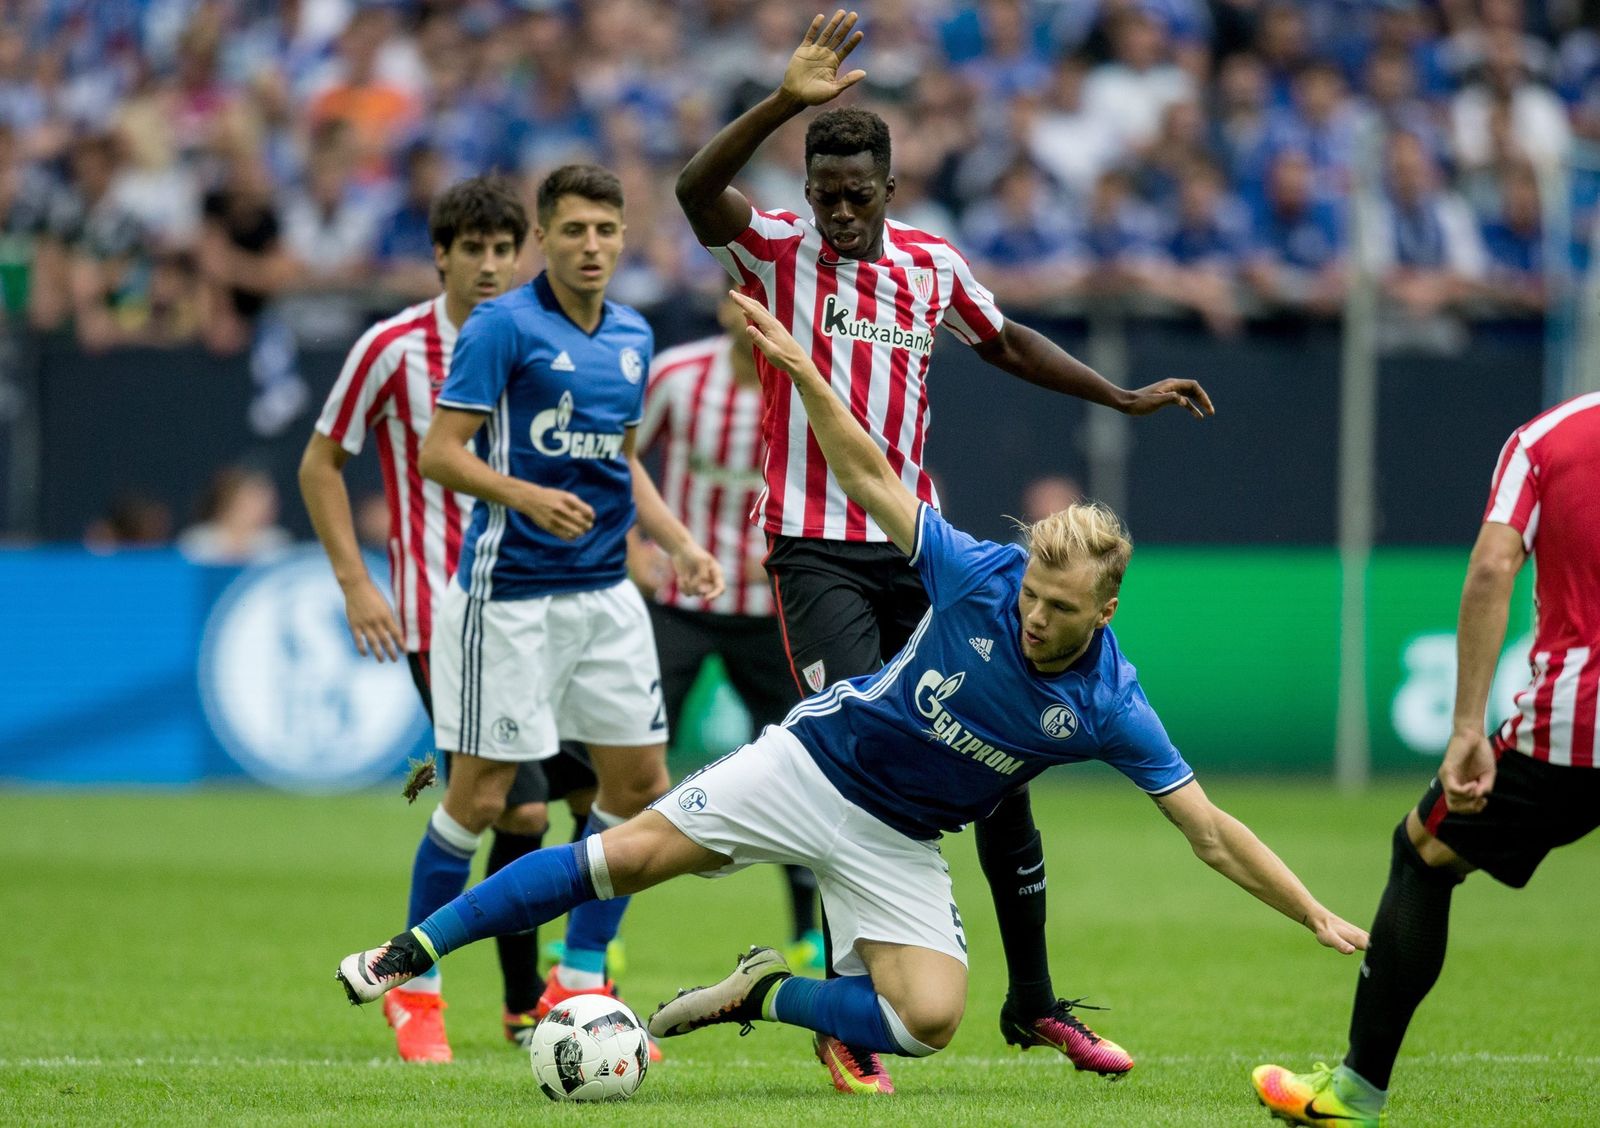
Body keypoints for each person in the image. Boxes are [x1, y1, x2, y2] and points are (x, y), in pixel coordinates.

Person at [334, 290, 1367, 1099]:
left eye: (1060, 607)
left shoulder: (1108, 703)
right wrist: (797, 368)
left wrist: (1314, 914)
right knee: (624, 858)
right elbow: (871, 475)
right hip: (811, 768)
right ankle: (412, 949)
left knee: (927, 1022)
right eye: (1035, 594)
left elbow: (1210, 833)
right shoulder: (979, 573)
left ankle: (763, 992)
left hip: (897, 841)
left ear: (1106, 608)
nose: (1034, 617)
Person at [671, 9, 1214, 1093]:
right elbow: (694, 194)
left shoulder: (929, 267)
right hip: (814, 552)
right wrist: (786, 101)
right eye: (822, 187)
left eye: (854, 192)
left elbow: (1006, 341)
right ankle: (845, 1003)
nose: (835, 207)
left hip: (915, 550)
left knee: (999, 759)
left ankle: (1033, 1001)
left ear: (887, 184)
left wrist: (1114, 393)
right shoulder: (774, 248)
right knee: (850, 760)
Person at [404, 163, 723, 1049]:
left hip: (604, 595)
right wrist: (524, 495)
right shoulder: (502, 326)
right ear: (542, 237)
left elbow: (621, 459)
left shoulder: (632, 333)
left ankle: (577, 975)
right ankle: (416, 986)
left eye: (606, 231)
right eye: (574, 231)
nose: (591, 246)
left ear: (624, 238)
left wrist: (678, 541)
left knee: (642, 785)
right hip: (507, 599)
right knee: (481, 800)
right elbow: (440, 453)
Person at [299, 174, 599, 1063]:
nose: (492, 265)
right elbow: (321, 464)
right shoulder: (393, 347)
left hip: (552, 606)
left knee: (593, 796)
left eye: (507, 249)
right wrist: (359, 583)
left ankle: (531, 1001)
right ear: (442, 255)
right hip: (447, 613)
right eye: (474, 249)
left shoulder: (548, 341)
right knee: (512, 805)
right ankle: (419, 992)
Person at [1252, 391, 1600, 1128]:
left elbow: (1491, 569)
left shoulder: (1546, 441)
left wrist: (1467, 725)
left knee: (1424, 852)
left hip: (1580, 725)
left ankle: (1354, 1092)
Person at [632, 294, 822, 970]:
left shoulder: (811, 382)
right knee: (629, 761)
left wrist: (790, 553)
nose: (755, 316)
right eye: (742, 299)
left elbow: (849, 479)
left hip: (774, 610)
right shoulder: (678, 375)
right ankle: (601, 935)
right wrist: (635, 547)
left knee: (803, 769)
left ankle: (810, 930)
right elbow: (611, 455)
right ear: (718, 309)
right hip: (677, 601)